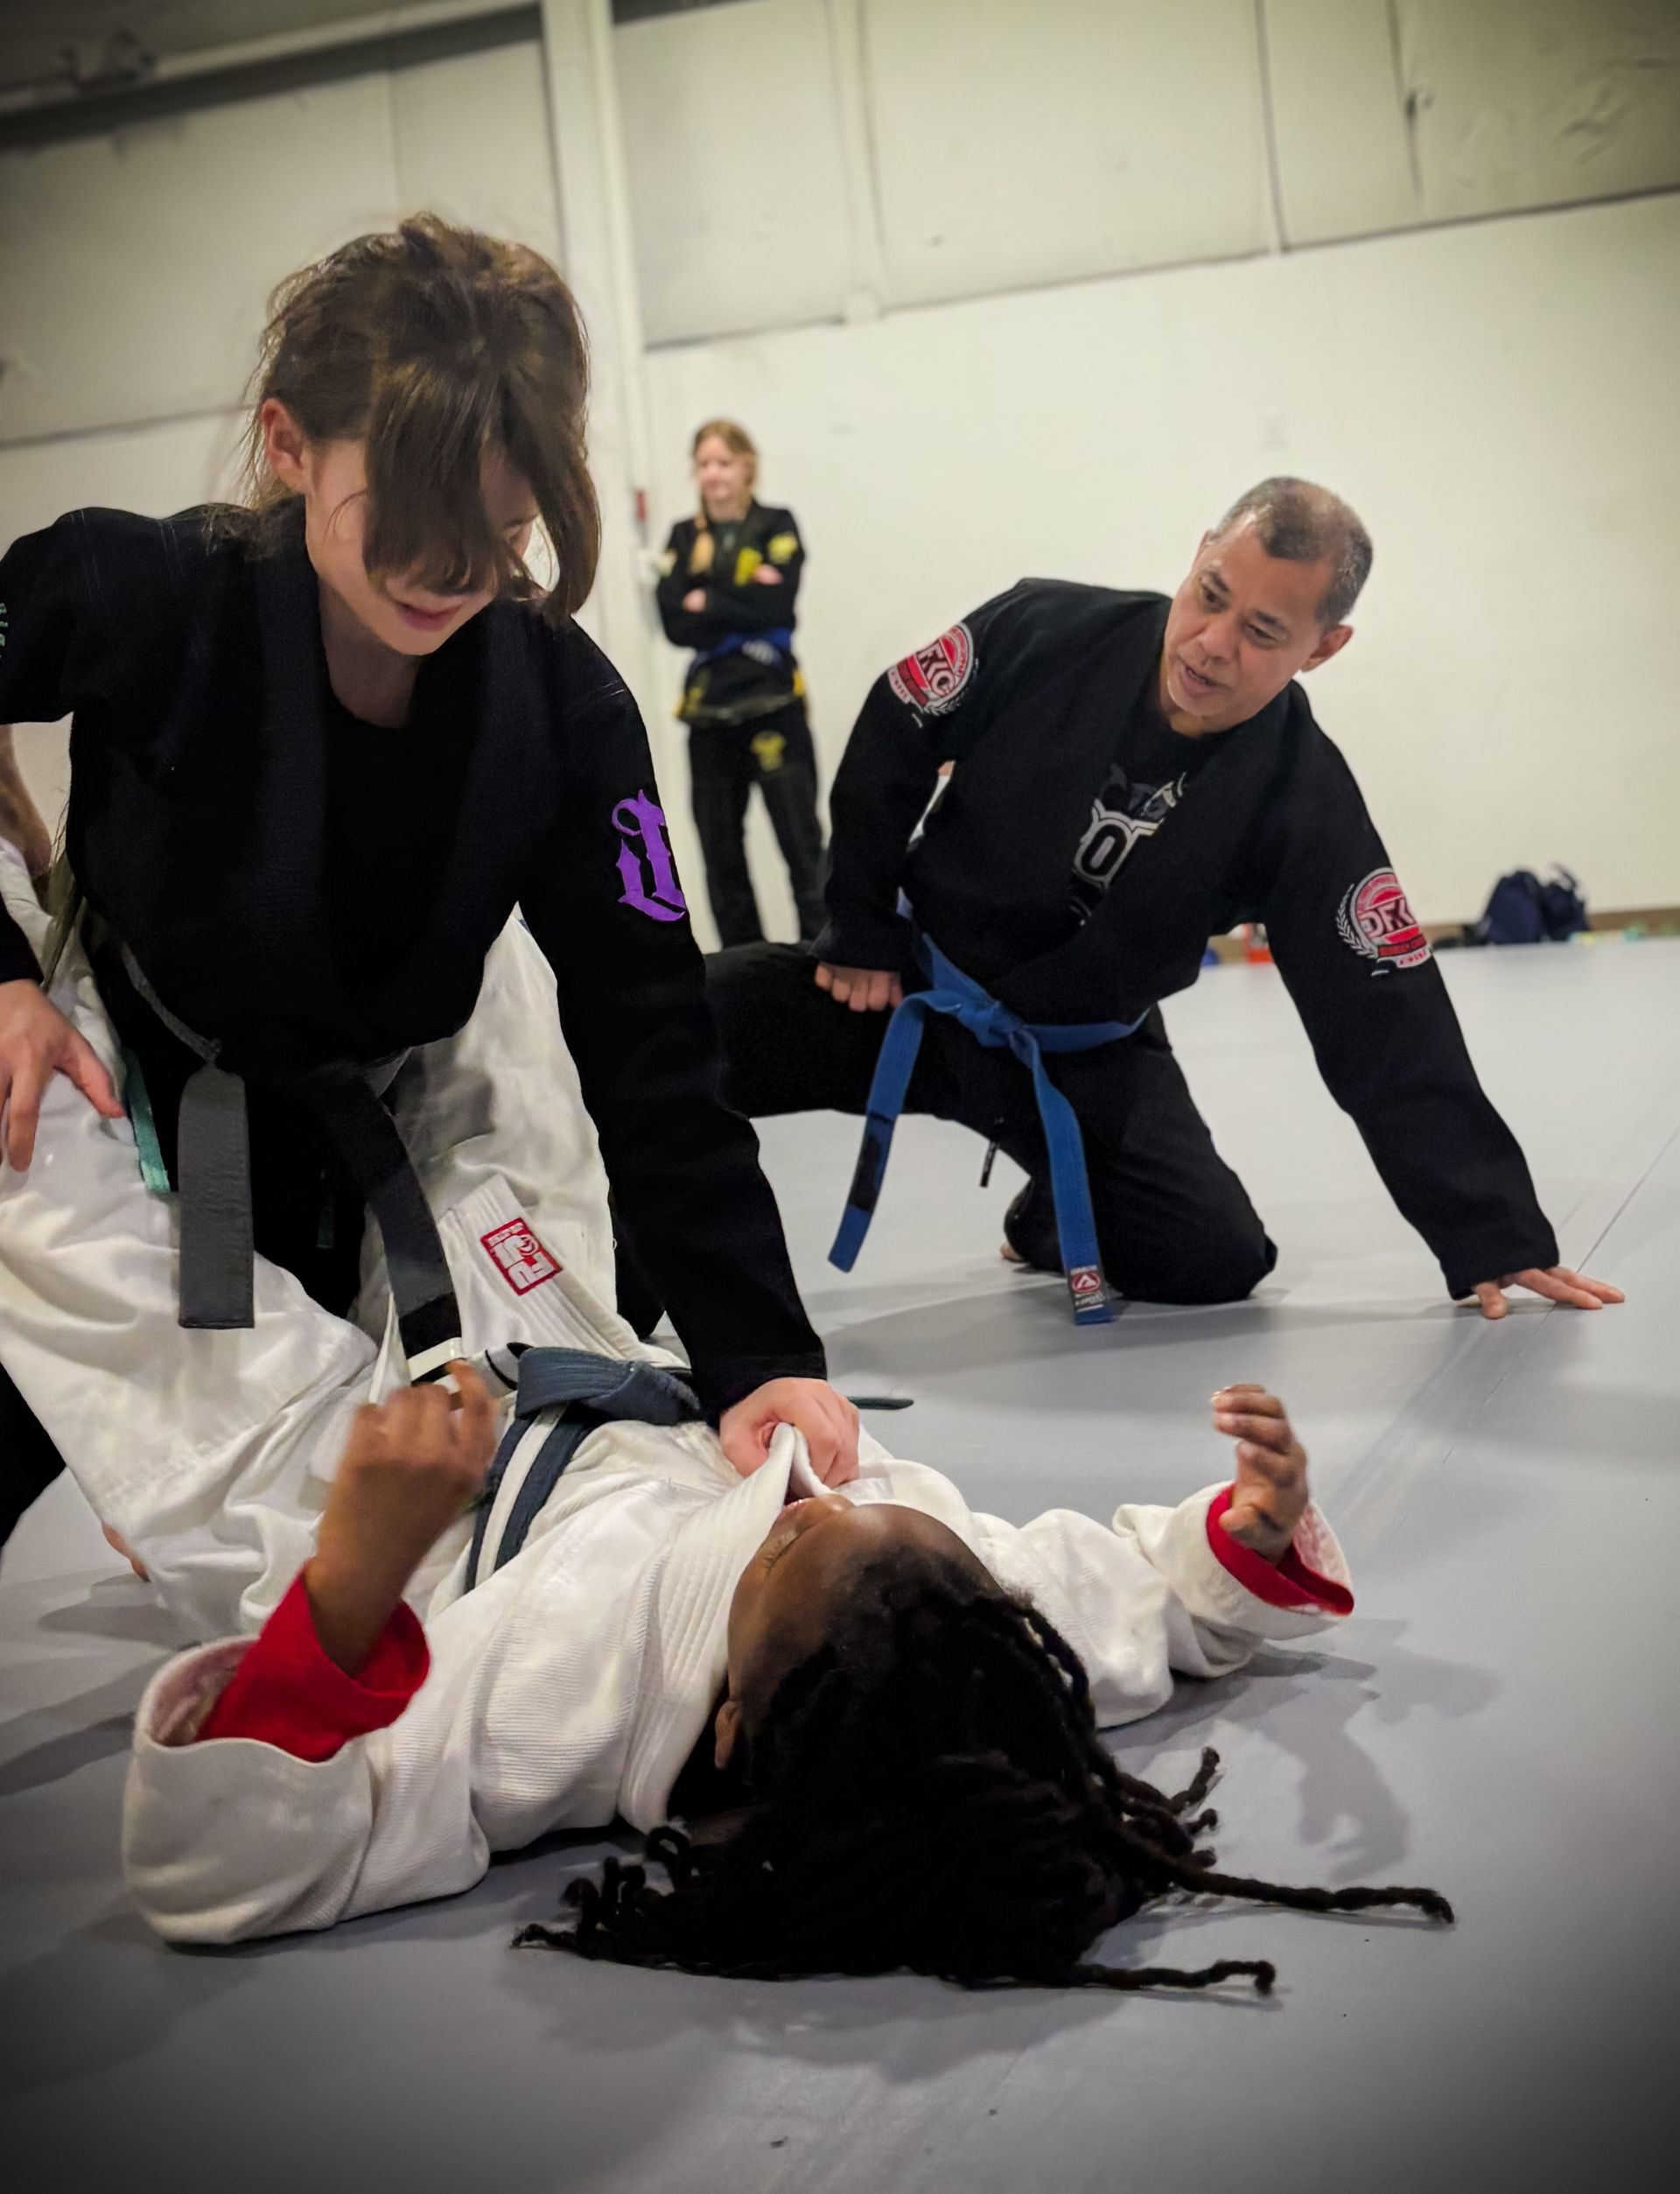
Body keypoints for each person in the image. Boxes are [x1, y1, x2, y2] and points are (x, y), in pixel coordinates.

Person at [10, 850, 1445, 1987]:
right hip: (569, 1345)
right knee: (510, 1013)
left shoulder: (541, 1720)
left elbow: (241, 1873)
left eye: (784, 1541)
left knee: (64, 1222)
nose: (821, 1495)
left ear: (742, 1712)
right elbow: (1123, 1606)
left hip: (335, 1480)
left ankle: (25, 933)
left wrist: (346, 1586)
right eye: (858, 1506)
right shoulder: (941, 1625)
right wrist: (1243, 1541)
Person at [0, 215, 860, 1548]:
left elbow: (650, 1042)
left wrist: (759, 1353)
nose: (453, 568)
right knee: (138, 1411)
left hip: (411, 1065)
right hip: (146, 1054)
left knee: (504, 1440)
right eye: (405, 515)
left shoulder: (564, 708)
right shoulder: (145, 588)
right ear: (288, 442)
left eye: (503, 526)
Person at [705, 479, 1622, 1328]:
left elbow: (1380, 1006)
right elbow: (900, 721)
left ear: (1324, 648)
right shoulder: (1049, 627)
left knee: (1212, 1254)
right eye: (1211, 594)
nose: (1213, 644)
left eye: (1264, 632)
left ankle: (1059, 1213)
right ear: (1196, 555)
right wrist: (859, 923)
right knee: (683, 1021)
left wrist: (1490, 1229)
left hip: (1077, 1050)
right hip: (909, 986)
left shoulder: (1303, 798)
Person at [654, 421, 826, 945]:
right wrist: (740, 598)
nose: (712, 474)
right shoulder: (684, 536)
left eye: (723, 462)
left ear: (746, 466)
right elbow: (673, 621)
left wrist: (707, 597)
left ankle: (821, 963)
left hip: (773, 701)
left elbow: (777, 603)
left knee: (802, 847)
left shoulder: (777, 524)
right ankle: (746, 977)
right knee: (721, 858)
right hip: (709, 714)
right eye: (704, 464)